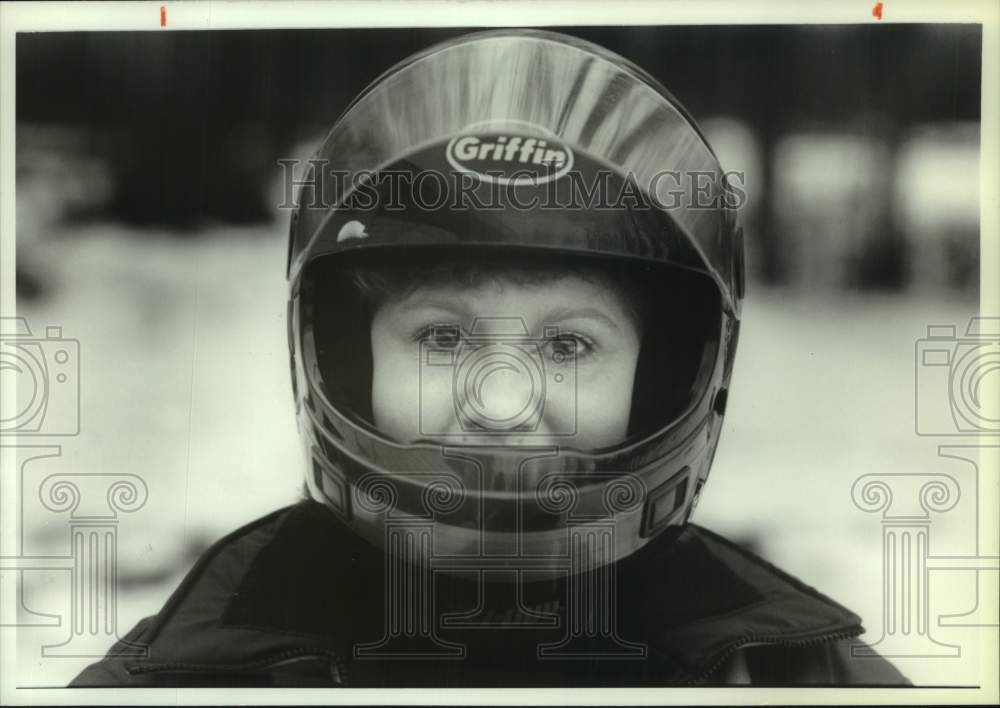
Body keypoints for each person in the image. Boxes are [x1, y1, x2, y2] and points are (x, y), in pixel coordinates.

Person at [71, 28, 907, 687]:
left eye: (568, 345)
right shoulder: (194, 673)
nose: (500, 403)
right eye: (442, 338)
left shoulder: (787, 672)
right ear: (344, 357)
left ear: (666, 375)